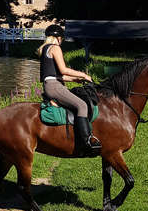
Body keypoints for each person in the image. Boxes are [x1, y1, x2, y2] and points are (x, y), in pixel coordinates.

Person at [37, 25, 101, 155]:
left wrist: (74, 80)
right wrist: (83, 74)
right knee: (82, 105)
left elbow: (57, 75)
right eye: (61, 38)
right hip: (54, 86)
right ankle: (86, 142)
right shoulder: (55, 48)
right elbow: (64, 70)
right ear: (58, 38)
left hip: (52, 84)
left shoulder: (45, 49)